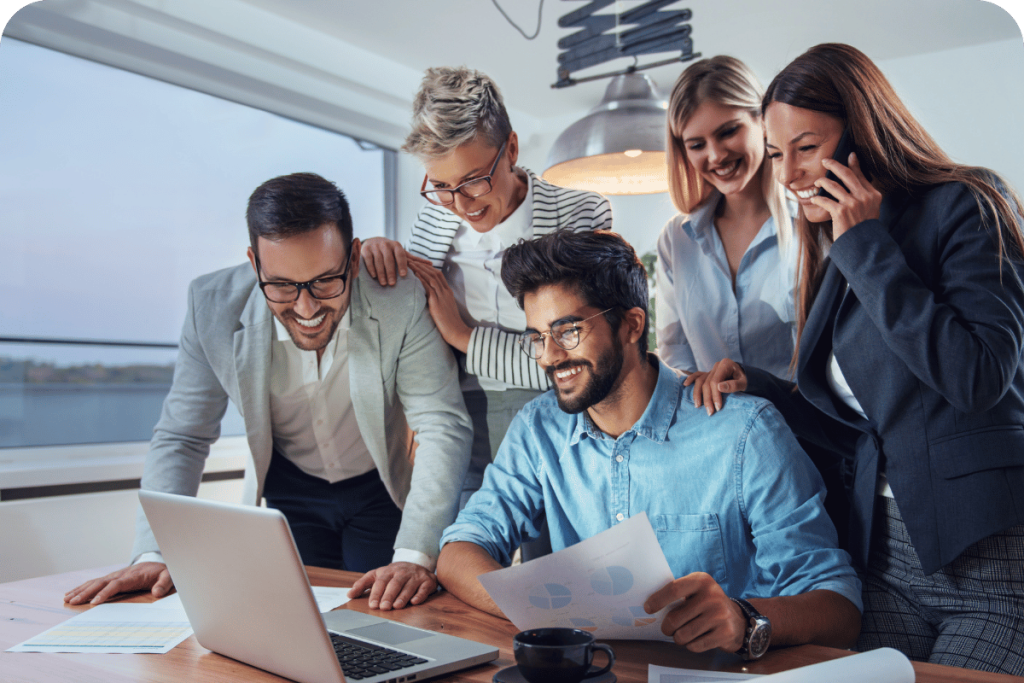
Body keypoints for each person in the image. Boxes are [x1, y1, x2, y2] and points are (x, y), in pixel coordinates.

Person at [690, 43, 1024, 674]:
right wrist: (758, 384)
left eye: (806, 147)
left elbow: (977, 377)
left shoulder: (966, 205)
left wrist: (866, 246)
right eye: (778, 153)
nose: (786, 174)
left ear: (862, 137)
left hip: (988, 560)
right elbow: (860, 423)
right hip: (885, 558)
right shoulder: (842, 243)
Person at [436, 229, 862, 658]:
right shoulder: (538, 429)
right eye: (536, 337)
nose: (549, 356)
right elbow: (459, 552)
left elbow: (840, 612)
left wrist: (744, 618)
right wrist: (547, 618)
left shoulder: (744, 432)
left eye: (567, 331)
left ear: (632, 325)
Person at [65, 172, 472, 612]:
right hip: (287, 491)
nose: (306, 307)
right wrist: (155, 552)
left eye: (324, 281)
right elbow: (183, 437)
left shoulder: (400, 299)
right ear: (254, 263)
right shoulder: (210, 305)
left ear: (353, 258)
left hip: (380, 488)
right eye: (281, 285)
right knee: (293, 623)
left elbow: (440, 424)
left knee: (387, 618)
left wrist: (415, 555)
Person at [360, 66, 612, 508]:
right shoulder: (434, 220)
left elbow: (580, 357)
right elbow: (410, 330)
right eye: (440, 186)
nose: (462, 205)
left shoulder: (582, 217)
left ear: (511, 148)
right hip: (459, 415)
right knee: (461, 554)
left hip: (559, 413)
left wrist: (463, 336)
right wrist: (380, 253)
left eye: (474, 179)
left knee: (553, 564)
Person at [657, 55, 796, 380]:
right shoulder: (677, 239)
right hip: (713, 426)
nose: (716, 155)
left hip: (808, 428)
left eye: (728, 131)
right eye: (696, 144)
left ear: (763, 121)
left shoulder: (812, 221)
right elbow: (676, 360)